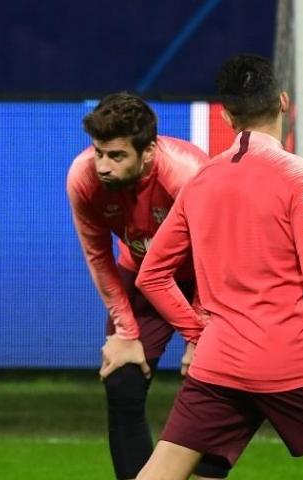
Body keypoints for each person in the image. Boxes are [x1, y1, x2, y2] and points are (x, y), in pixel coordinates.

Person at [133, 54, 303, 480]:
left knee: (159, 474)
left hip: (219, 361)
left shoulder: (201, 181)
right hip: (288, 359)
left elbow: (150, 274)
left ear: (228, 115)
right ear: (283, 102)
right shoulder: (299, 175)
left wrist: (201, 333)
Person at [66, 92, 231, 480]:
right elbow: (98, 257)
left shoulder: (188, 175)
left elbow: (217, 256)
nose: (103, 166)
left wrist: (200, 333)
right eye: (99, 153)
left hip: (205, 282)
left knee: (216, 386)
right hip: (141, 280)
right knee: (122, 380)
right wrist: (125, 330)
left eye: (117, 156)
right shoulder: (83, 178)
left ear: (148, 153)